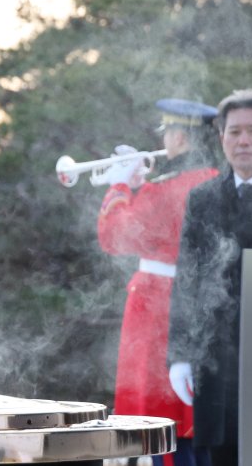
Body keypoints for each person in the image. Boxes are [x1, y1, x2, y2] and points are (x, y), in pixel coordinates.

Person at [97, 99, 219, 466]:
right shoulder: (210, 179)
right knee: (188, 415)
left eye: (169, 132)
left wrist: (120, 184)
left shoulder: (167, 189)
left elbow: (114, 236)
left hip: (158, 305)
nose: (165, 139)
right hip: (190, 302)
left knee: (159, 413)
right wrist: (140, 184)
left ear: (180, 137)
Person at [168, 88, 252, 466]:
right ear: (221, 138)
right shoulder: (204, 198)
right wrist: (180, 355)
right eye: (234, 132)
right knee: (222, 453)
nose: (243, 141)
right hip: (217, 357)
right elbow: (188, 278)